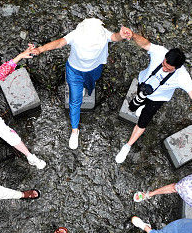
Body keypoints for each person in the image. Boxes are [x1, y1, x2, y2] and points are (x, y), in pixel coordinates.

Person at [114, 31, 192, 164]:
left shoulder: (182, 76)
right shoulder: (160, 52)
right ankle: (140, 105)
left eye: (168, 69)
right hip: (143, 84)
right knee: (133, 105)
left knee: (143, 121)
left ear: (177, 68)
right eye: (164, 64)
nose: (164, 69)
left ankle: (127, 146)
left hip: (158, 99)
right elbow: (145, 44)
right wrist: (132, 35)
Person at [31, 19, 134, 150]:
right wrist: (40, 49)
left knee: (91, 86)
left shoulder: (102, 34)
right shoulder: (76, 35)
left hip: (94, 69)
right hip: (75, 72)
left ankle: (86, 88)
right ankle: (75, 131)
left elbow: (114, 37)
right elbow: (59, 43)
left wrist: (122, 35)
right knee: (75, 101)